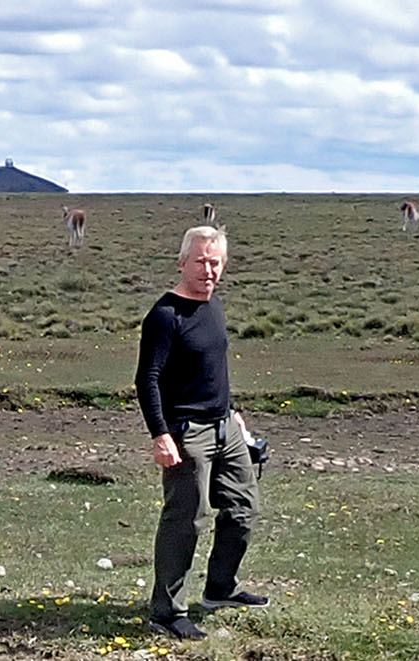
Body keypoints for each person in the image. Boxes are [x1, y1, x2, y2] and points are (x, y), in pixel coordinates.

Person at [134, 225, 269, 640]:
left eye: (215, 263)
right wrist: (161, 435)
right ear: (182, 263)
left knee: (244, 508)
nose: (208, 270)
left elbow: (214, 368)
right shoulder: (165, 315)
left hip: (225, 426)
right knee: (185, 522)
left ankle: (220, 588)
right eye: (200, 262)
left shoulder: (214, 306)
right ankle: (167, 611)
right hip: (186, 432)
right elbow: (147, 378)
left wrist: (232, 413)